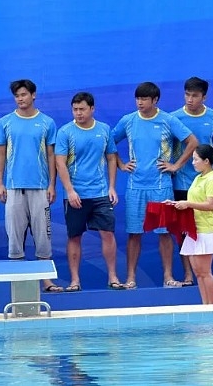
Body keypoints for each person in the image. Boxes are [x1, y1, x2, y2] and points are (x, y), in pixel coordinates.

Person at [112, 82, 198, 289]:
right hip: (135, 187)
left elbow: (193, 142)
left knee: (164, 232)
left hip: (161, 187)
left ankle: (168, 276)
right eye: (138, 99)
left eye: (144, 99)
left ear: (155, 100)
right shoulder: (128, 121)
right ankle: (131, 278)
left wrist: (176, 165)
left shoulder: (168, 120)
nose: (140, 103)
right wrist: (121, 164)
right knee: (134, 233)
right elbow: (108, 142)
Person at [0, 79, 63, 292]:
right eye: (17, 96)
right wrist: (0, 183)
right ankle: (19, 284)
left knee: (43, 236)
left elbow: (51, 155)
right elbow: (1, 153)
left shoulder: (47, 123)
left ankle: (47, 281)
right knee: (14, 237)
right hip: (14, 188)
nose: (20, 99)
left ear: (33, 95)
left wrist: (52, 184)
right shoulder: (5, 122)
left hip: (40, 188)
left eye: (23, 94)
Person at [55, 92, 125, 290]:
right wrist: (70, 191)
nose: (78, 113)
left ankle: (113, 277)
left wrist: (112, 187)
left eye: (82, 109)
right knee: (74, 236)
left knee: (108, 234)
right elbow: (60, 163)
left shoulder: (104, 130)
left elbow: (111, 158)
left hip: (100, 193)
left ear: (92, 109)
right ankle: (75, 280)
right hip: (75, 195)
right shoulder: (65, 132)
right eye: (75, 109)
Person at [171, 77, 213, 286]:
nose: (190, 99)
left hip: (207, 184)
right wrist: (175, 165)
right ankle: (188, 275)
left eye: (194, 95)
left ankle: (207, 273)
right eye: (187, 95)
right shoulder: (174, 118)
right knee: (185, 230)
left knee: (206, 227)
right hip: (183, 183)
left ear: (204, 97)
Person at [166, 144, 213, 304]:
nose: (193, 163)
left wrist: (188, 204)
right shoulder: (198, 178)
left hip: (205, 231)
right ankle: (205, 306)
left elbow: (211, 205)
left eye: (196, 159)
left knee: (205, 272)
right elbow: (192, 202)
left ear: (206, 161)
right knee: (198, 273)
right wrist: (175, 204)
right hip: (193, 230)